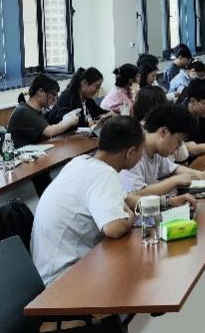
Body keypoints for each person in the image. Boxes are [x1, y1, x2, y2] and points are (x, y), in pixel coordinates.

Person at [31, 117, 145, 285]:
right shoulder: (104, 174)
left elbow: (125, 199)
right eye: (142, 151)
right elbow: (114, 228)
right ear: (130, 153)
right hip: (63, 279)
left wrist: (165, 202)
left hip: (49, 269)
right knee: (140, 272)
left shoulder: (81, 162)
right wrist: (131, 216)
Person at [119, 104, 205, 205]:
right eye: (179, 142)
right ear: (163, 132)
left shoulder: (157, 150)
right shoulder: (134, 152)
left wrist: (200, 175)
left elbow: (174, 169)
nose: (178, 147)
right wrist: (174, 181)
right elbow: (133, 196)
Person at [8, 75, 81, 149]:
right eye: (53, 95)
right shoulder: (24, 111)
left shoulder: (37, 110)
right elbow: (49, 131)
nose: (54, 100)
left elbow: (45, 135)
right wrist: (70, 121)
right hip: (21, 155)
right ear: (40, 92)